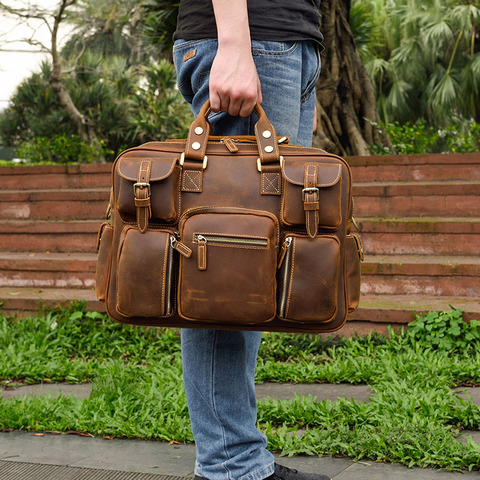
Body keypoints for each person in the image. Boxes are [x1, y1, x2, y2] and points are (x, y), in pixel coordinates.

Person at [172, 2, 330, 480]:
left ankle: (235, 458)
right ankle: (230, 467)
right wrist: (237, 45)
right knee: (225, 269)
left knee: (251, 266)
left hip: (287, 47)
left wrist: (306, 74)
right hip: (250, 39)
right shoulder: (242, 42)